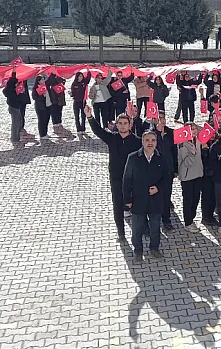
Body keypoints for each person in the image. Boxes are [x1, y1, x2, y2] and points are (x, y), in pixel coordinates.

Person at [86, 105, 142, 241]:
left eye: (125, 123)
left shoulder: (136, 141)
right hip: (116, 178)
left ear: (130, 125)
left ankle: (140, 230)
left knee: (136, 205)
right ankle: (121, 233)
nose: (123, 126)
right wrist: (90, 117)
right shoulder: (112, 138)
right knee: (117, 205)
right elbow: (98, 131)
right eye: (120, 123)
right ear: (116, 125)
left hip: (132, 179)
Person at [123, 130, 171, 262]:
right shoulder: (133, 158)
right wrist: (127, 200)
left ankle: (154, 248)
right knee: (137, 227)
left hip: (156, 200)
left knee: (155, 226)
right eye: (147, 140)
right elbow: (127, 180)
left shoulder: (161, 157)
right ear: (142, 142)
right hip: (138, 199)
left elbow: (167, 177)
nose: (150, 143)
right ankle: (138, 250)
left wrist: (158, 188)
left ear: (156, 142)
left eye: (153, 140)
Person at [178, 122, 203, 231]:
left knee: (196, 198)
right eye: (191, 129)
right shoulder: (182, 144)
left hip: (198, 174)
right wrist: (192, 154)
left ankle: (191, 219)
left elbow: (206, 130)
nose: (194, 131)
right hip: (187, 176)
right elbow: (186, 162)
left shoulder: (197, 140)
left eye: (194, 129)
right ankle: (188, 222)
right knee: (188, 200)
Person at [3, 69, 30, 143]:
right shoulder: (10, 86)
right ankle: (15, 138)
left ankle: (17, 137)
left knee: (18, 121)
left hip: (17, 105)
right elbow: (6, 93)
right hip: (13, 105)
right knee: (16, 122)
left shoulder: (18, 83)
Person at [31, 75, 52, 140]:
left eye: (43, 79)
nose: (43, 81)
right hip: (40, 107)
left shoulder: (46, 86)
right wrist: (42, 95)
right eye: (42, 80)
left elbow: (51, 79)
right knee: (41, 120)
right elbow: (34, 97)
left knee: (46, 120)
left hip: (48, 105)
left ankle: (45, 133)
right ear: (38, 81)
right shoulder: (35, 88)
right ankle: (42, 134)